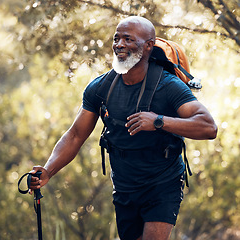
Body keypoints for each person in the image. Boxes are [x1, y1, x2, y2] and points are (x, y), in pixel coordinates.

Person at [29, 16, 217, 240]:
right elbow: (75, 135)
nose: (119, 44)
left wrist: (158, 121)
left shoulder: (168, 86)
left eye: (128, 39)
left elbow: (208, 127)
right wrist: (49, 170)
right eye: (116, 38)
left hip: (162, 182)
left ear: (149, 45)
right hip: (125, 185)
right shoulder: (100, 88)